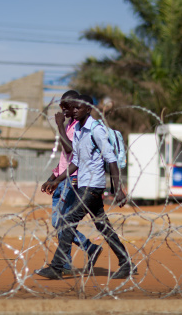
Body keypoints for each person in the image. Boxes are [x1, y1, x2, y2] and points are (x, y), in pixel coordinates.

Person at [35, 94, 136, 280]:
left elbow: (111, 160)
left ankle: (57, 267)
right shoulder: (80, 130)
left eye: (77, 108)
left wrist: (118, 190)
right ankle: (127, 263)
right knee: (102, 225)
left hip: (92, 186)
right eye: (72, 108)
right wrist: (56, 180)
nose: (73, 111)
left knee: (67, 221)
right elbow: (76, 162)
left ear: (88, 109)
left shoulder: (96, 130)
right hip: (84, 184)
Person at [41, 90, 101, 275]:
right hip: (61, 179)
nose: (63, 110)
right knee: (58, 222)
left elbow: (71, 152)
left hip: (71, 179)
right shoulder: (69, 124)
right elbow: (64, 158)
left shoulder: (78, 126)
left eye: (66, 106)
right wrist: (52, 178)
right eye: (61, 106)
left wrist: (59, 126)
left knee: (63, 223)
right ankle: (89, 248)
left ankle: (64, 264)